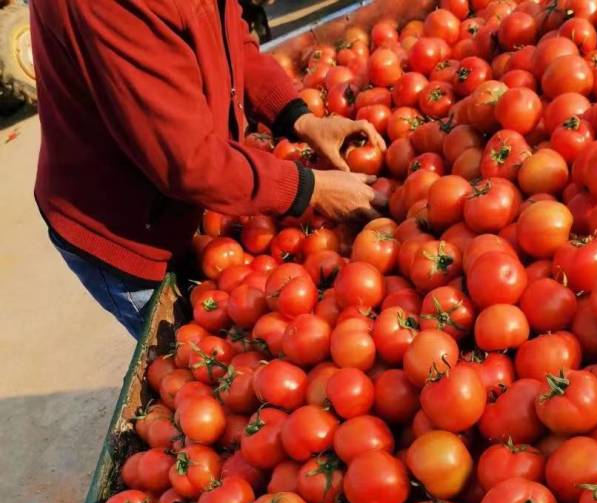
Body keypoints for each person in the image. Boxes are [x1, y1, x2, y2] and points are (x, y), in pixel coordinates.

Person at [30, 0, 385, 337]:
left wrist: (299, 119)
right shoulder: (111, 8)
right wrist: (311, 189)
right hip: (122, 226)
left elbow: (229, 40)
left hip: (178, 191)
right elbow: (187, 161)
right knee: (184, 358)